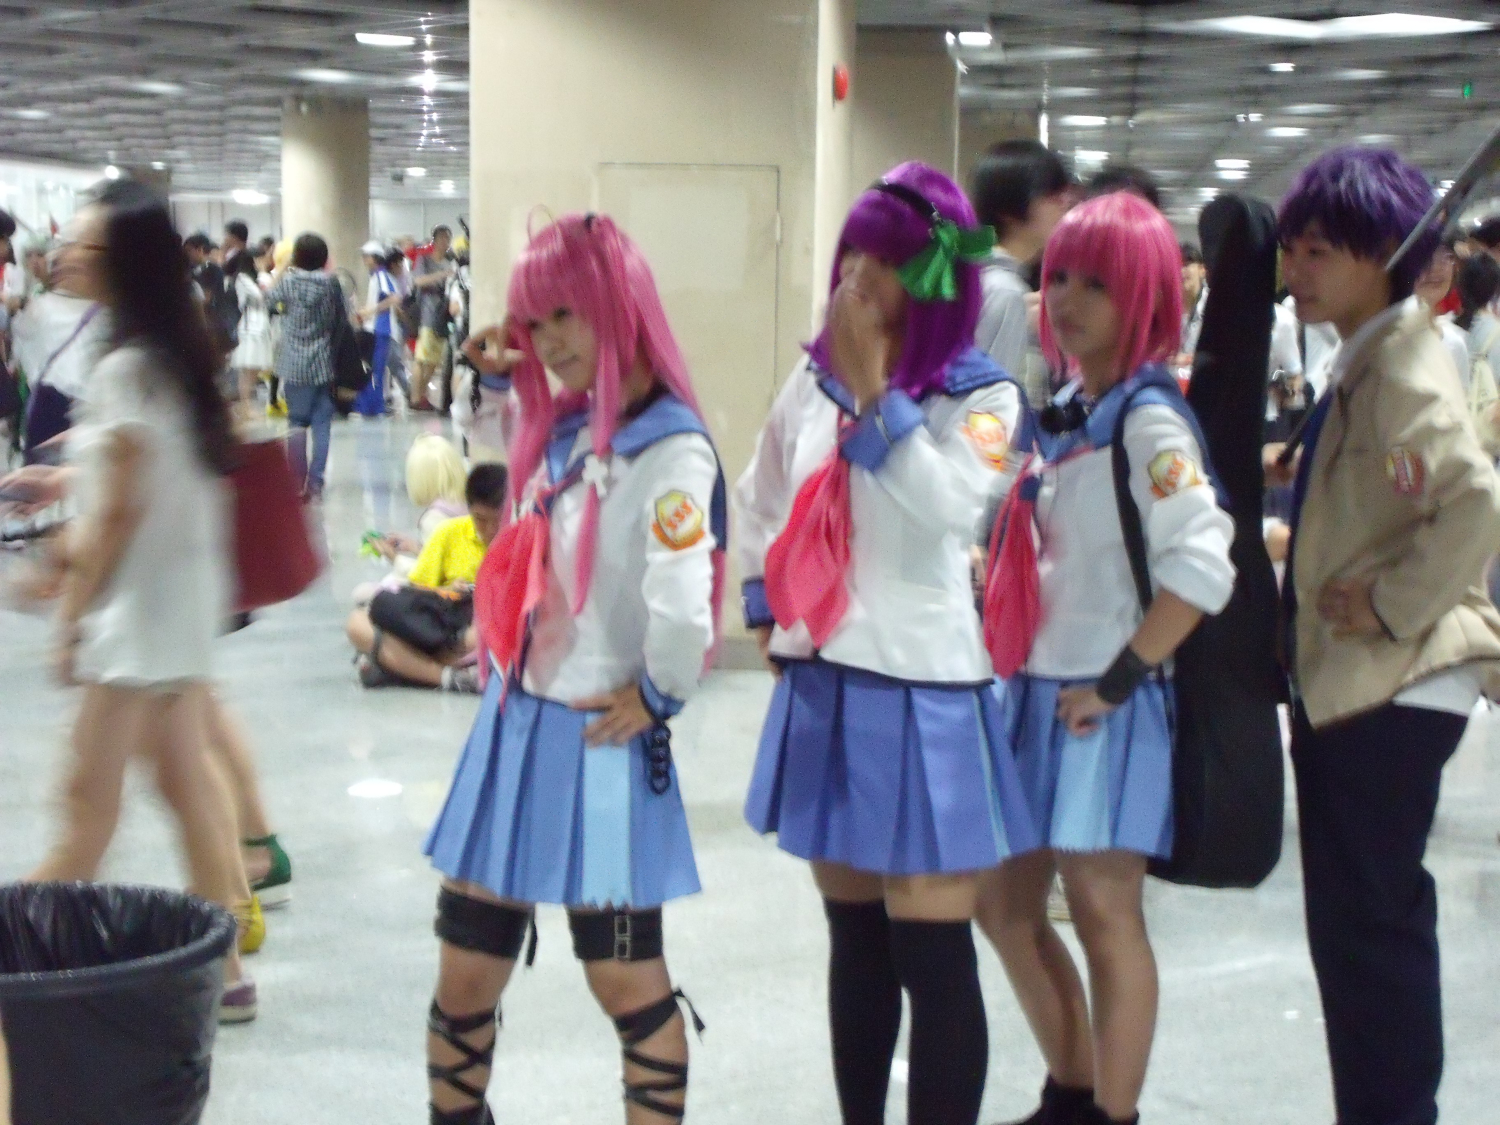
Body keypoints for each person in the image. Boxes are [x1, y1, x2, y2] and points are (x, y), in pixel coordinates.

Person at [738, 163, 1037, 1125]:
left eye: (888, 260)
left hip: (924, 688)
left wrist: (876, 393)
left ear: (937, 278)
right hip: (826, 680)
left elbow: (949, 507)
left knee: (934, 955)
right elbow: (762, 488)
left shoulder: (985, 398)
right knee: (856, 942)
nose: (859, 276)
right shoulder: (811, 376)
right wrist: (763, 603)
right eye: (854, 253)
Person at [421, 212, 725, 1125]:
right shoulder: (566, 418)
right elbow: (499, 434)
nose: (547, 339)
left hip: (598, 738)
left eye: (565, 314)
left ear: (617, 304)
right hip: (514, 725)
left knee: (625, 982)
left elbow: (686, 604)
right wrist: (493, 368)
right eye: (534, 318)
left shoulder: (671, 446)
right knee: (464, 968)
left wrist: (659, 693)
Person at [977, 191, 1236, 1125]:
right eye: (1060, 279)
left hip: (1106, 702)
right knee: (1004, 907)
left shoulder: (1149, 420)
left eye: (1099, 284)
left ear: (1147, 298)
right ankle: (1072, 1090)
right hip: (1035, 690)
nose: (1069, 300)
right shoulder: (1069, 409)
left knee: (1102, 912)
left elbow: (1204, 567)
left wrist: (1120, 680)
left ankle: (1107, 1112)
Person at [1272, 147, 1500, 1125]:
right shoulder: (1370, 353)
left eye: (1319, 251)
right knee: (1361, 928)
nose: (1296, 270)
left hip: (1392, 683)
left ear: (1383, 256)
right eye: (1292, 248)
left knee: (1369, 931)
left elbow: (1475, 501)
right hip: (1369, 683)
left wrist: (1394, 605)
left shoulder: (1401, 364)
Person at [3, 179, 257, 1022]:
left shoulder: (123, 370)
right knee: (187, 792)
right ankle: (225, 974)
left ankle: (15, 966)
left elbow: (117, 513)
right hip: (177, 620)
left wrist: (69, 614)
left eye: (81, 247)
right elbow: (141, 476)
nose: (62, 257)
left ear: (121, 263)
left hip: (133, 629)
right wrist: (69, 480)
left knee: (83, 813)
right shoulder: (173, 360)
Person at [345, 461, 507, 693]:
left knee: (484, 631)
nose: (490, 529)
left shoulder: (520, 537)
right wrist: (449, 590)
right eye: (480, 519)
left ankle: (399, 665)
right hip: (437, 625)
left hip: (471, 635)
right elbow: (416, 592)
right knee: (357, 624)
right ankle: (449, 677)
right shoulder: (449, 533)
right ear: (469, 509)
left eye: (498, 520)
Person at [970, 139, 1075, 408]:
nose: (1064, 204)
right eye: (1052, 195)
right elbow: (989, 404)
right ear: (1011, 206)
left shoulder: (983, 278)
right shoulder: (1004, 290)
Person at [268, 233, 342, 501]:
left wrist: (283, 269)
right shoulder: (331, 284)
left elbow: (267, 301)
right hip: (323, 362)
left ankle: (297, 483)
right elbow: (339, 318)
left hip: (294, 364)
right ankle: (316, 483)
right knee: (322, 424)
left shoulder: (288, 282)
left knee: (296, 423)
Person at [353, 239, 408, 415]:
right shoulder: (377, 276)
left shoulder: (381, 276)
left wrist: (370, 311)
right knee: (375, 370)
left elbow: (394, 298)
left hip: (381, 330)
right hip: (377, 329)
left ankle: (374, 406)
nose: (364, 259)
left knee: (376, 370)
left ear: (375, 257)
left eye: (367, 256)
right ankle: (374, 405)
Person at [1413, 238, 1470, 387]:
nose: (1436, 267)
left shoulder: (1454, 346)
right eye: (1424, 256)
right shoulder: (1377, 339)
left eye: (1447, 256)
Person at [410, 224, 455, 411]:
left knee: (434, 360)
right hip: (427, 314)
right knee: (422, 358)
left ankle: (421, 395)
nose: (445, 242)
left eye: (448, 238)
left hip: (443, 317)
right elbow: (418, 281)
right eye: (442, 238)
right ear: (434, 240)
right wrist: (442, 275)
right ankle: (415, 398)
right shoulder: (424, 260)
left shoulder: (450, 262)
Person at [229, 252, 273, 411]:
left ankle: (246, 406)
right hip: (251, 327)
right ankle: (245, 406)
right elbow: (260, 295)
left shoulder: (254, 278)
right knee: (248, 368)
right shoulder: (242, 278)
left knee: (254, 368)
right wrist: (262, 273)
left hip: (260, 325)